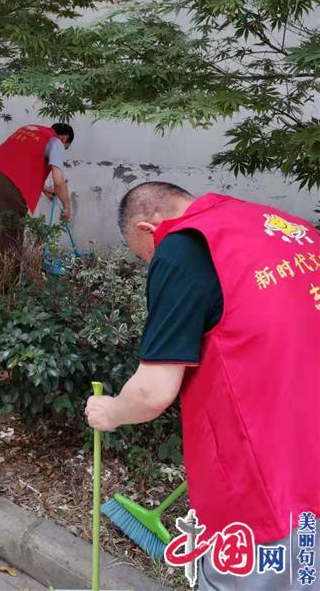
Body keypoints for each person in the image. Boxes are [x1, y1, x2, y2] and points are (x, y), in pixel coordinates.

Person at [85, 182, 320, 590]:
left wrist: (110, 412)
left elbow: (153, 391)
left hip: (262, 487)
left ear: (148, 227)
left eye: (147, 258)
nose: (152, 264)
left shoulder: (182, 246)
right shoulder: (282, 226)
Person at [0, 123, 74, 268]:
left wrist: (42, 188)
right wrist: (67, 206)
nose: (64, 148)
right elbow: (58, 181)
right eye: (66, 146)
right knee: (11, 233)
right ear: (65, 138)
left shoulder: (29, 130)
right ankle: (6, 285)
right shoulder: (56, 142)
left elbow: (15, 162)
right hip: (12, 184)